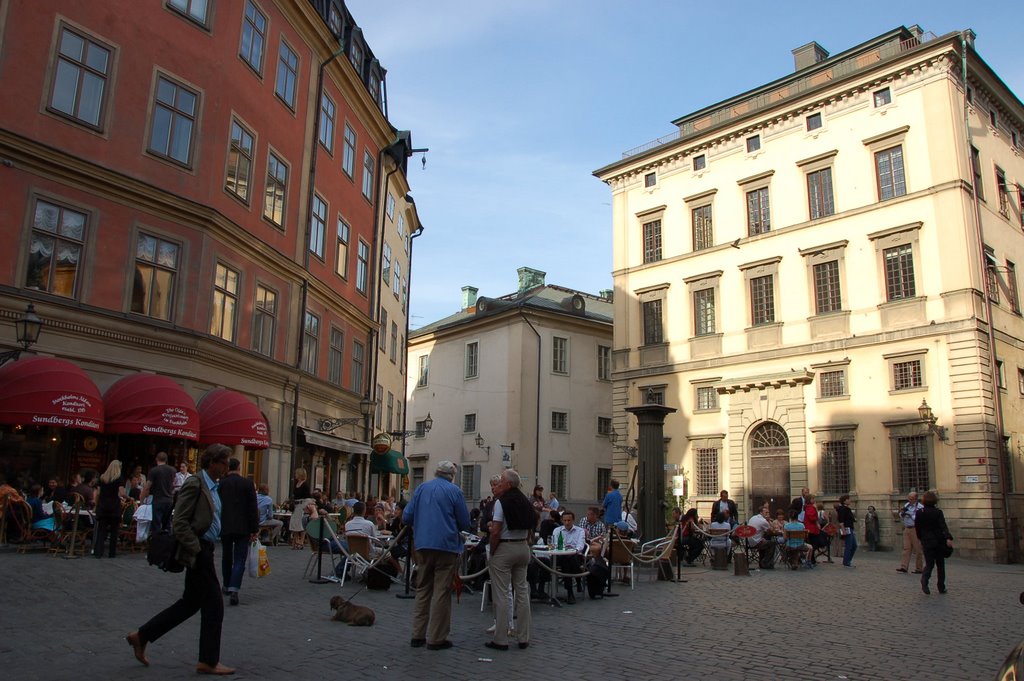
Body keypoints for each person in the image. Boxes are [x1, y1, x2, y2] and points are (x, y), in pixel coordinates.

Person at [126, 443, 235, 675]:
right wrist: (196, 549)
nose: (227, 466)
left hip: (205, 547)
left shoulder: (214, 485)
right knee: (214, 605)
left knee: (190, 603)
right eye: (224, 462)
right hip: (198, 549)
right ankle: (208, 660)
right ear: (213, 462)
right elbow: (180, 521)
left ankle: (142, 635)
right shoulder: (196, 483)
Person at [403, 460, 471, 651]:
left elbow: (406, 517)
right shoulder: (454, 491)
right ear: (452, 475)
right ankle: (436, 638)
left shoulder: (421, 488)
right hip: (446, 546)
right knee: (441, 591)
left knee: (423, 589)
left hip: (423, 545)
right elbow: (464, 522)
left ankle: (417, 634)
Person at [486, 468, 536, 651]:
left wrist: (492, 550)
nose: (499, 483)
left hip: (506, 547)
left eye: (501, 481)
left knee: (501, 594)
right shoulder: (526, 501)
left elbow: (496, 530)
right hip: (523, 547)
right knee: (522, 593)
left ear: (508, 484)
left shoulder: (501, 502)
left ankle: (501, 638)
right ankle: (524, 637)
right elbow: (532, 525)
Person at [218, 458, 258, 606]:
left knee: (226, 556)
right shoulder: (247, 483)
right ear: (239, 467)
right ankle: (234, 588)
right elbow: (253, 508)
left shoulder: (221, 483)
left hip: (225, 525)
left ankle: (226, 585)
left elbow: (217, 505)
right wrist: (254, 529)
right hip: (243, 527)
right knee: (240, 559)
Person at [916, 491, 953, 595]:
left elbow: (918, 528)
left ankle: (924, 581)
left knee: (929, 564)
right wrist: (948, 538)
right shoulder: (938, 512)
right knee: (940, 565)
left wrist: (920, 539)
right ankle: (941, 586)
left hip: (927, 541)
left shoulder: (919, 512)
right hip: (938, 541)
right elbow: (943, 526)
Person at [550, 510, 586, 604]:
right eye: (565, 520)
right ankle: (576, 583)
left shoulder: (580, 531)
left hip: (575, 555)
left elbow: (580, 545)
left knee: (570, 559)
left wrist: (574, 550)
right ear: (562, 520)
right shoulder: (557, 530)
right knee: (566, 560)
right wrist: (565, 549)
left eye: (569, 520)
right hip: (561, 556)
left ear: (573, 520)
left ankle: (570, 591)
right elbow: (555, 544)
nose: (567, 523)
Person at [93, 459, 126, 559]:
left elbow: (98, 493)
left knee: (101, 530)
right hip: (114, 506)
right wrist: (128, 497)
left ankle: (98, 551)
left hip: (103, 505)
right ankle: (112, 553)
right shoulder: (119, 478)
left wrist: (96, 504)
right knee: (114, 531)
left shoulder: (103, 478)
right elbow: (121, 493)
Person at [142, 452, 176, 535]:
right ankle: (166, 544)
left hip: (158, 500)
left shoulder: (154, 471)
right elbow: (174, 484)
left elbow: (147, 487)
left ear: (156, 459)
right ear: (166, 460)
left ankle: (156, 544)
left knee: (156, 525)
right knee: (167, 524)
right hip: (169, 500)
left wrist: (142, 499)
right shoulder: (173, 470)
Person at [897, 491, 925, 574]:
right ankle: (904, 567)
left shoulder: (920, 507)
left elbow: (918, 519)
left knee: (918, 549)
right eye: (909, 498)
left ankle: (919, 568)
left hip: (915, 529)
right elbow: (900, 515)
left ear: (916, 499)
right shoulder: (906, 505)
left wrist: (910, 514)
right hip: (907, 528)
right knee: (906, 548)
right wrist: (902, 513)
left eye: (912, 499)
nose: (910, 500)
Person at [289, 467, 311, 549]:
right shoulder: (296, 484)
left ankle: (301, 541)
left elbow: (308, 496)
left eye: (296, 473)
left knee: (301, 524)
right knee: (294, 522)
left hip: (302, 505)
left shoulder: (305, 485)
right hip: (296, 505)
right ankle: (295, 540)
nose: (295, 475)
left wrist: (306, 506)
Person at [746, 504, 775, 568]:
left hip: (749, 541)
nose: (767, 514)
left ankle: (762, 562)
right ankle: (765, 562)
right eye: (766, 512)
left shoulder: (753, 517)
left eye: (768, 512)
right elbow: (771, 531)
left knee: (765, 541)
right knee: (772, 543)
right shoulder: (763, 521)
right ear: (761, 512)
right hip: (756, 542)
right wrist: (769, 521)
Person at [835, 494, 857, 567]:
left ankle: (848, 560)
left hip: (850, 528)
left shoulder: (847, 509)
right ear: (845, 501)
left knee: (854, 545)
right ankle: (846, 562)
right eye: (848, 499)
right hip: (846, 529)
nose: (850, 500)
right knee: (849, 545)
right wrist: (843, 530)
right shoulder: (843, 509)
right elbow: (841, 521)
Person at [802, 493, 821, 568]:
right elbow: (812, 518)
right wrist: (816, 512)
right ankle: (811, 559)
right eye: (813, 499)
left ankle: (812, 559)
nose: (814, 500)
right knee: (814, 545)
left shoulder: (808, 507)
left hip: (811, 528)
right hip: (811, 529)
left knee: (813, 545)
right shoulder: (810, 508)